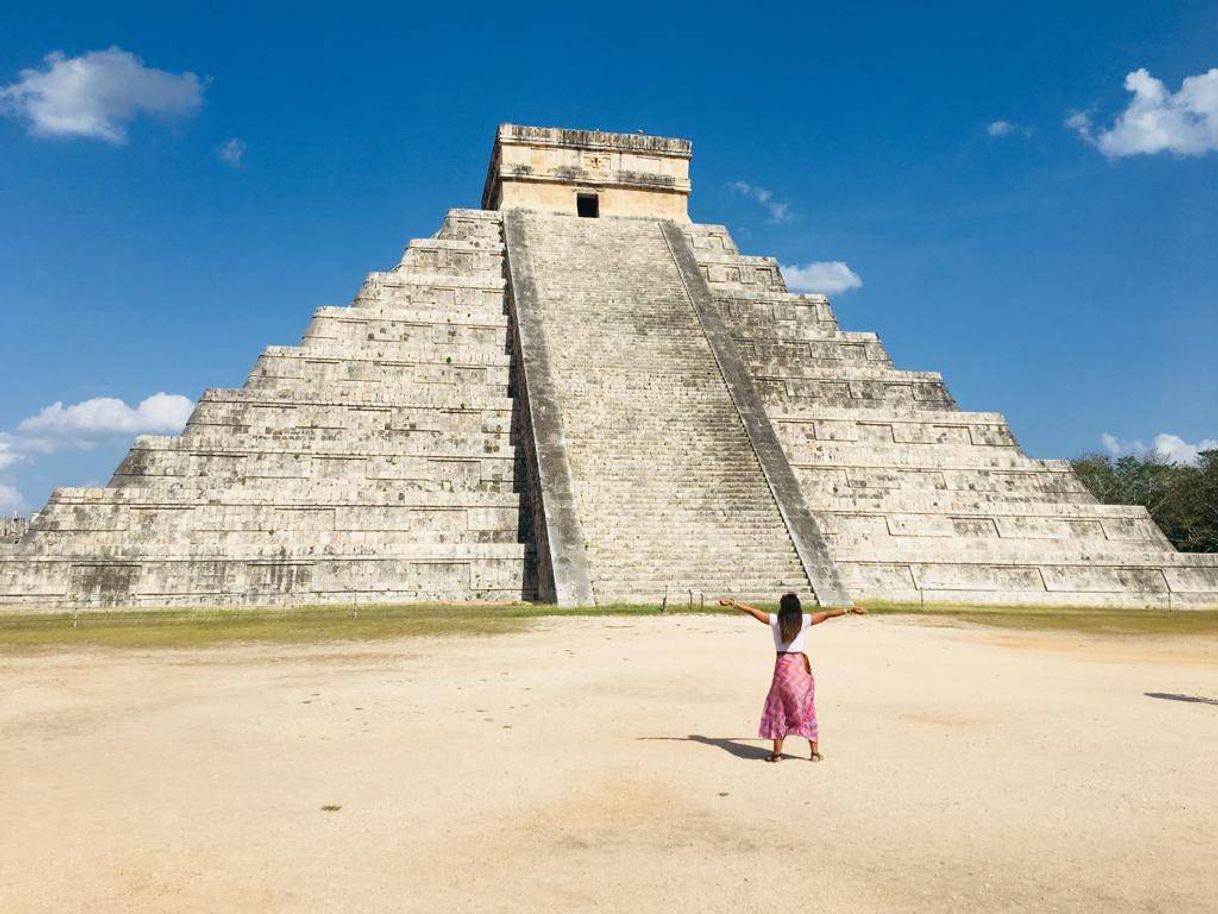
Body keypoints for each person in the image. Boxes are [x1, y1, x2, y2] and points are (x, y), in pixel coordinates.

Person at [721, 593, 867, 763]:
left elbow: (753, 611)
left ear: (782, 607)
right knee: (807, 709)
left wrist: (734, 604)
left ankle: (776, 754)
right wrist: (849, 609)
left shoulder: (776, 620)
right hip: (800, 668)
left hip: (783, 669)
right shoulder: (804, 620)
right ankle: (814, 754)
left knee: (779, 711)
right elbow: (827, 614)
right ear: (797, 607)